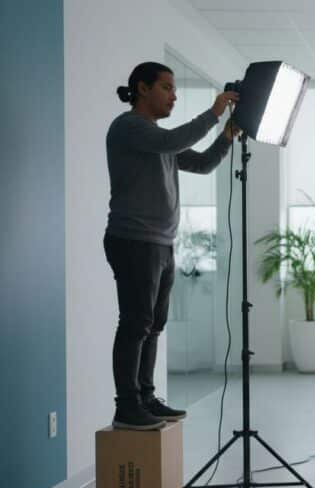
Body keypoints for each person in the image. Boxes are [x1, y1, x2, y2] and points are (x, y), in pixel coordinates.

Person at [104, 61, 240, 430]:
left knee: (153, 325)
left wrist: (226, 136)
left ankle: (145, 397)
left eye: (174, 88)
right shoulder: (129, 127)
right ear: (143, 88)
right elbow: (172, 141)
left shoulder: (156, 138)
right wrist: (213, 112)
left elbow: (201, 164)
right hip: (133, 240)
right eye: (166, 87)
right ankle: (127, 405)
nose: (174, 95)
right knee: (135, 323)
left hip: (160, 243)